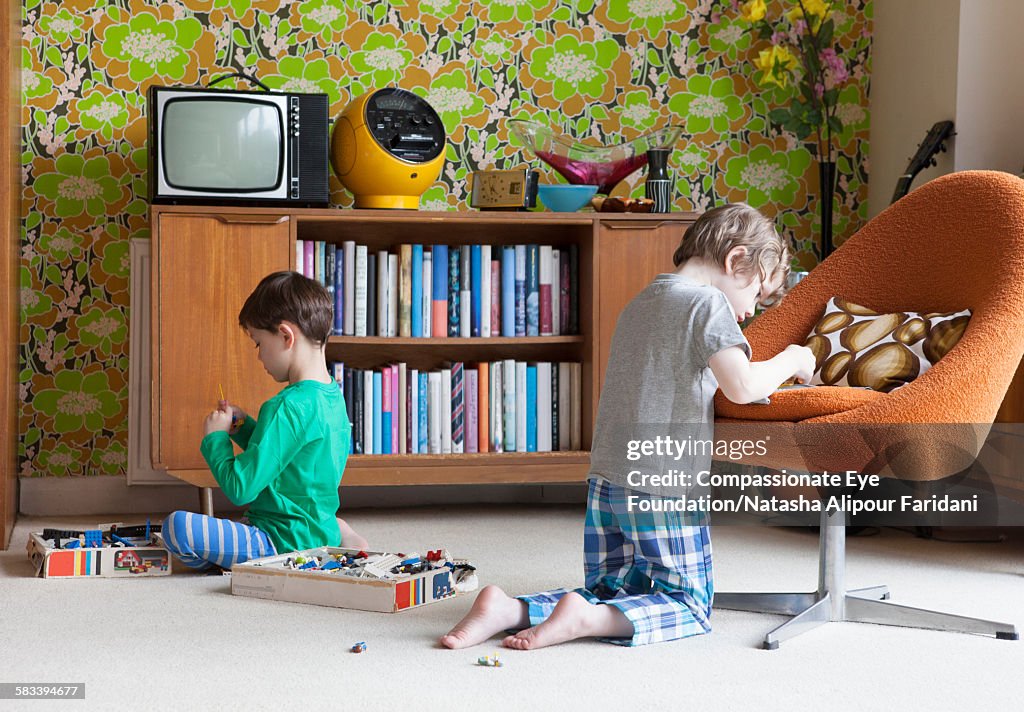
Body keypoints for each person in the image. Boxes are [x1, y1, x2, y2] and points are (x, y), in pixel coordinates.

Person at [440, 203, 816, 649]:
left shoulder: (645, 300)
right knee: (690, 604)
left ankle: (510, 610)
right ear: (736, 261)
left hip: (608, 479)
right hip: (664, 482)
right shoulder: (707, 303)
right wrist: (795, 358)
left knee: (610, 592)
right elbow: (742, 385)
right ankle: (582, 621)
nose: (749, 313)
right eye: (756, 295)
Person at [162, 271, 366, 571]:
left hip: (277, 542)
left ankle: (236, 564)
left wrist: (215, 440)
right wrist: (243, 427)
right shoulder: (332, 396)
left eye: (259, 343)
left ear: (286, 336)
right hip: (311, 528)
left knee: (176, 528)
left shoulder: (285, 406)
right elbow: (286, 457)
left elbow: (241, 488)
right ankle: (333, 533)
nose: (259, 357)